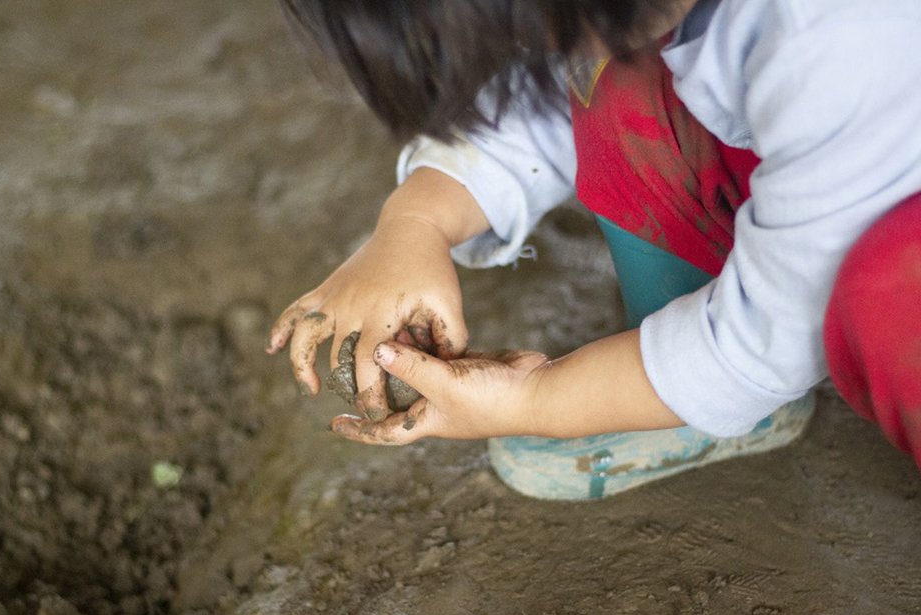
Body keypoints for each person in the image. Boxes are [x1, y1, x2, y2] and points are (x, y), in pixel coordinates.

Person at [267, 0, 921, 498]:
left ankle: (692, 395)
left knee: (890, 300)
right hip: (849, 150)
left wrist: (541, 399)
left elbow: (774, 331)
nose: (532, 53)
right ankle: (672, 380)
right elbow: (552, 90)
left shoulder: (842, 38)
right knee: (614, 74)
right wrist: (414, 221)